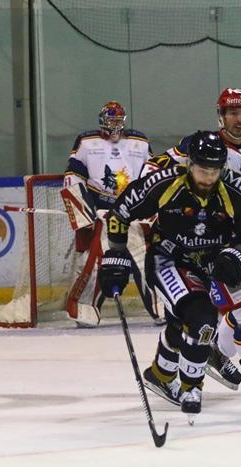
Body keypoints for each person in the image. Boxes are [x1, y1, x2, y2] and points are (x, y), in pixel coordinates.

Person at [97, 131, 241, 421]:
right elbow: (120, 213)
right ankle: (192, 389)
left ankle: (161, 374)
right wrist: (116, 253)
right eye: (202, 170)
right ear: (189, 164)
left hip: (211, 265)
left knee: (182, 322)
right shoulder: (163, 183)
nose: (208, 177)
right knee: (202, 321)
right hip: (169, 260)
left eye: (214, 171)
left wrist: (238, 254)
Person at [140, 88, 241, 398]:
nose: (239, 118)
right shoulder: (199, 146)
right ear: (220, 116)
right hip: (203, 245)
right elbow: (153, 170)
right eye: (232, 112)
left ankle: (206, 355)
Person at [62, 101, 163, 327]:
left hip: (134, 213)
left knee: (146, 259)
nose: (115, 126)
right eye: (111, 121)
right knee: (99, 260)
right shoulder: (87, 142)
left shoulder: (139, 142)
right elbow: (72, 177)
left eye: (119, 121)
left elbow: (153, 176)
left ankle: (161, 306)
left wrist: (153, 209)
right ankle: (85, 309)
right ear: (102, 121)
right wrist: (84, 213)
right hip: (104, 214)